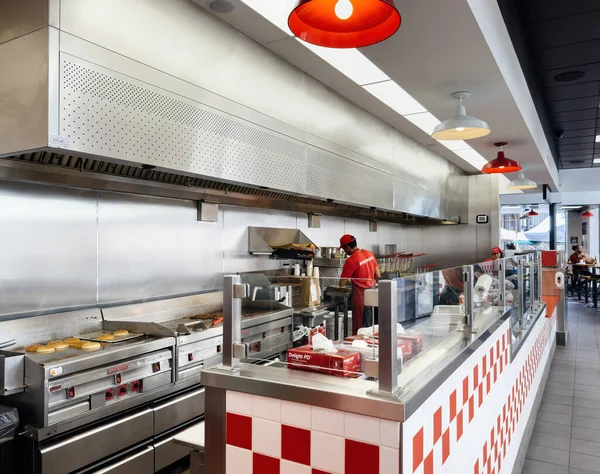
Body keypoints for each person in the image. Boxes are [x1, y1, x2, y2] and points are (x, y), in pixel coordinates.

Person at [338, 234, 380, 335]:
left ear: (348, 247)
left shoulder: (351, 261)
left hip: (361, 296)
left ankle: (360, 347)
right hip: (373, 293)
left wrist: (350, 280)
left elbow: (341, 283)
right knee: (372, 326)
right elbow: (378, 274)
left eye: (344, 249)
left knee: (361, 328)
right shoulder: (369, 254)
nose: (345, 251)